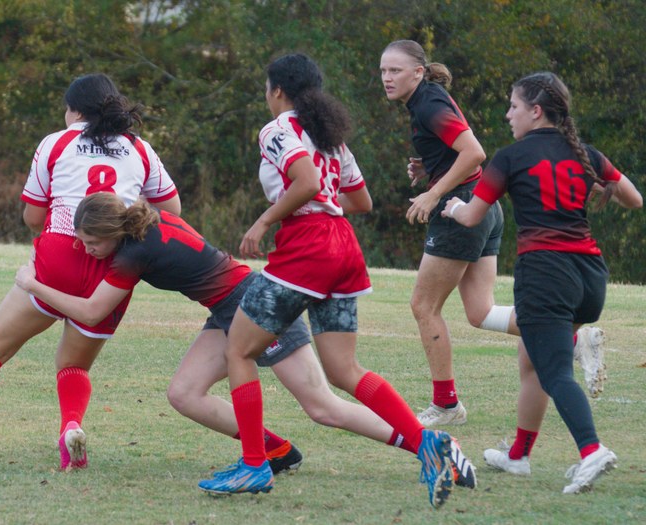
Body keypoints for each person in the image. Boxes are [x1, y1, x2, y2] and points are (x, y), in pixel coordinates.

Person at [14, 192, 476, 481]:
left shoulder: (132, 251)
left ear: (111, 231)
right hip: (227, 308)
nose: (86, 249)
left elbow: (93, 311)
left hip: (253, 305)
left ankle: (430, 448)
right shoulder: (144, 219)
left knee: (322, 405)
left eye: (89, 241)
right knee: (184, 393)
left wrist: (33, 284)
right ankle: (273, 450)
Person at [197, 53, 471, 510]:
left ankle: (253, 464)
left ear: (278, 91)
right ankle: (427, 444)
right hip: (344, 249)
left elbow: (304, 183)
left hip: (307, 249)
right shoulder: (330, 137)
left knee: (238, 350)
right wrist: (323, 197)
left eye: (267, 89)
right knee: (344, 370)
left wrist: (263, 222)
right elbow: (359, 200)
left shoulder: (278, 130)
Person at [0, 73, 180, 470]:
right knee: (74, 365)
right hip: (115, 267)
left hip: (60, 253)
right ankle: (71, 428)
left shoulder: (57, 142)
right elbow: (172, 212)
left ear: (74, 110)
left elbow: (32, 216)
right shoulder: (140, 148)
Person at [379, 40, 607, 428]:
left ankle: (447, 405)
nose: (386, 78)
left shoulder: (429, 103)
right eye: (383, 71)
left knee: (423, 306)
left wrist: (434, 193)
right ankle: (571, 342)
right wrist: (430, 169)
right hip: (482, 205)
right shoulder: (425, 100)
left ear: (418, 72)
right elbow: (457, 153)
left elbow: (474, 152)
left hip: (463, 207)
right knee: (480, 312)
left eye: (395, 70)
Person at [441, 71, 641, 493]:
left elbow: (474, 216)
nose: (507, 113)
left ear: (535, 111)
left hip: (546, 276)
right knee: (531, 362)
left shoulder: (510, 158)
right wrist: (603, 187)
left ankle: (592, 451)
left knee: (552, 372)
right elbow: (634, 198)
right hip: (590, 277)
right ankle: (518, 455)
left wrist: (454, 207)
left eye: (513, 106)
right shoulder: (585, 153)